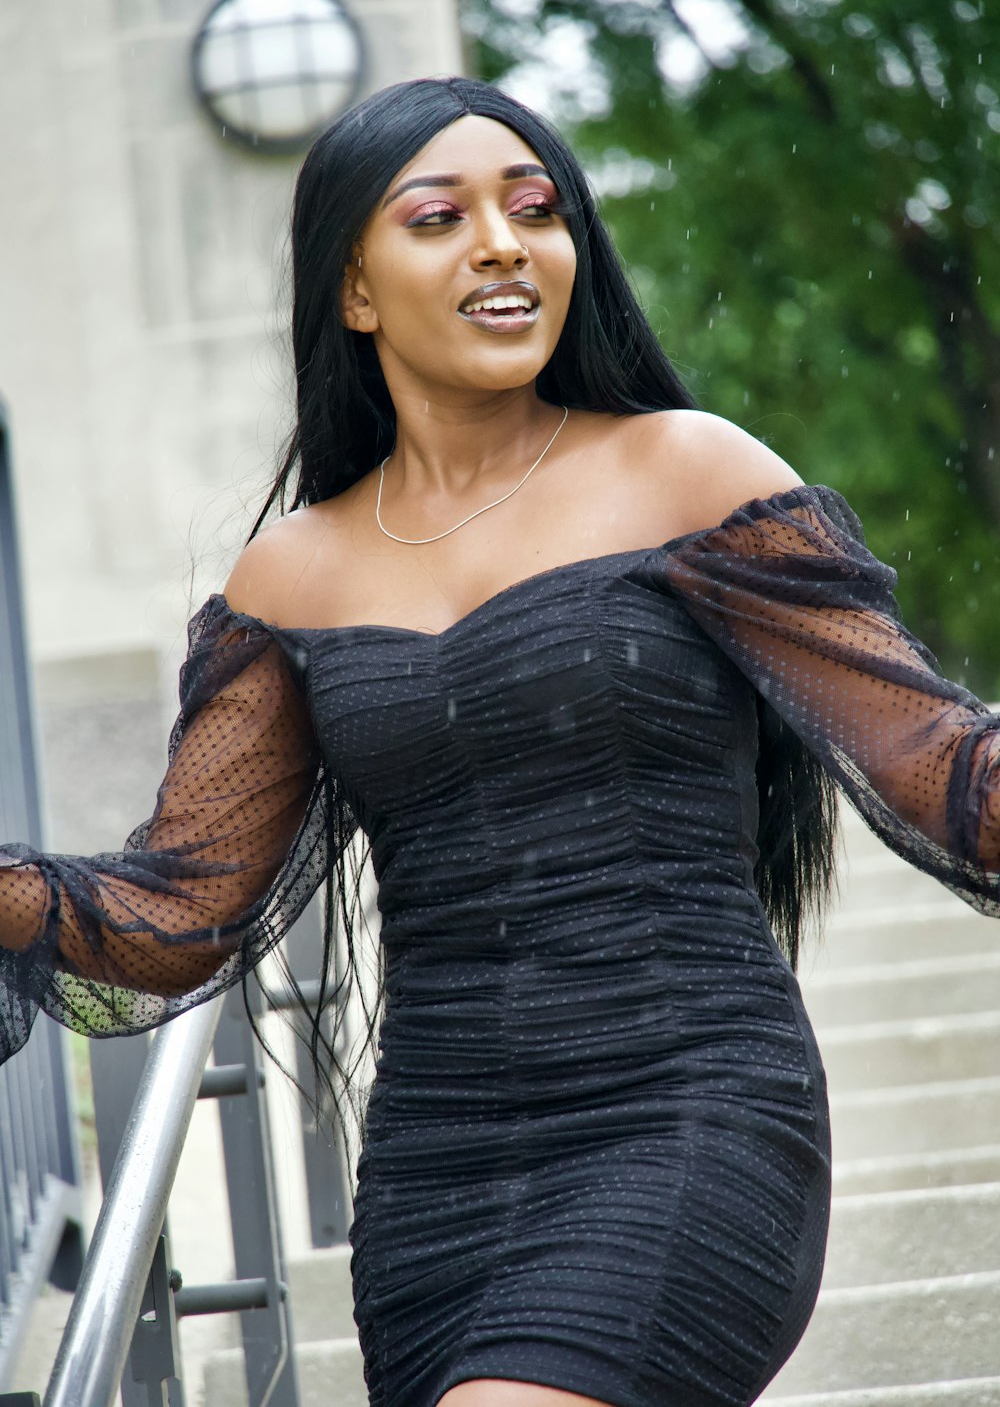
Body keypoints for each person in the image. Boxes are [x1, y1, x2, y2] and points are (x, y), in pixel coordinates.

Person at [1, 75, 998, 1407]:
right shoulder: (282, 584)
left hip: (692, 1112)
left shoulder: (687, 475)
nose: (504, 243)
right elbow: (171, 922)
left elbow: (941, 771)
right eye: (440, 216)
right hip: (433, 1175)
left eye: (537, 209)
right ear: (354, 290)